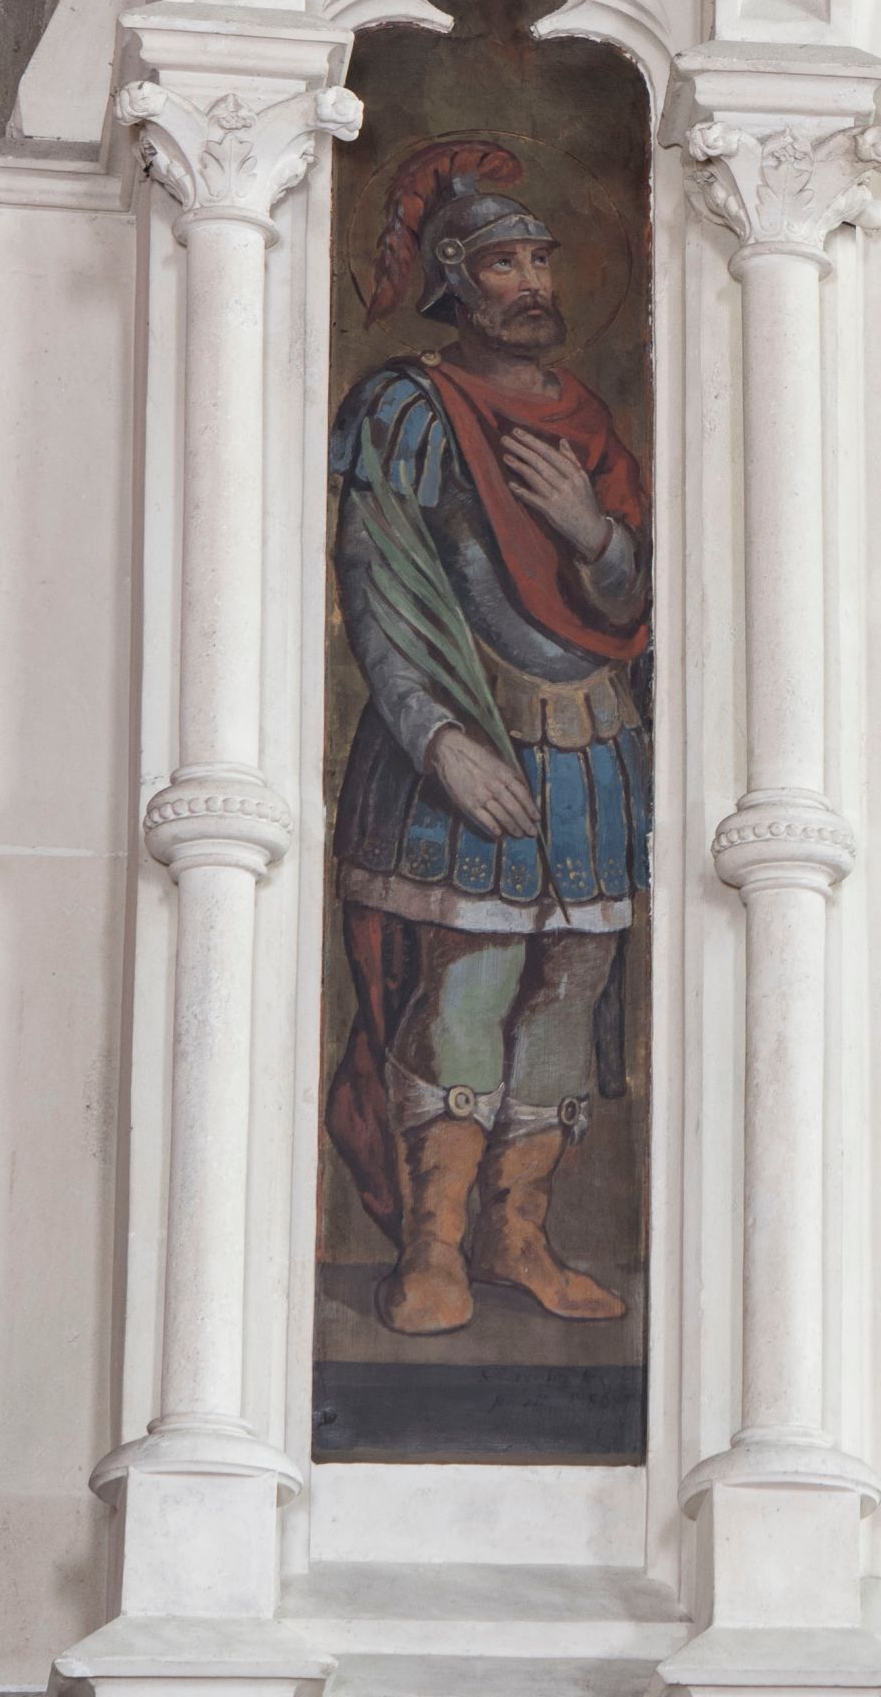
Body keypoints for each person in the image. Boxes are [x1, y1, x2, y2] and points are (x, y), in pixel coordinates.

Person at [323, 145, 650, 1336]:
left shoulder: (584, 421)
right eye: (504, 265)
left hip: (594, 745)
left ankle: (520, 1237)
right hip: (465, 743)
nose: (531, 284)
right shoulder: (406, 408)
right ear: (454, 280)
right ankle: (434, 1249)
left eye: (539, 262)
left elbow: (632, 601)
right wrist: (442, 742)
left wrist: (591, 532)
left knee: (572, 986)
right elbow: (380, 591)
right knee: (471, 981)